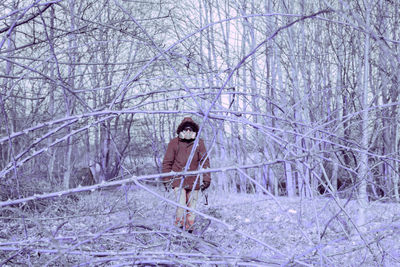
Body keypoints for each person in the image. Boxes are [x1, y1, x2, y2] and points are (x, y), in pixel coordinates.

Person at [162, 117, 211, 231]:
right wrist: (167, 179)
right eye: (186, 130)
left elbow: (205, 162)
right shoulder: (174, 143)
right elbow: (167, 162)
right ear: (182, 131)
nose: (188, 132)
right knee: (181, 205)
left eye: (190, 130)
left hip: (194, 180)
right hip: (178, 179)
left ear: (194, 131)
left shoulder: (199, 143)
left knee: (192, 208)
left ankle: (189, 230)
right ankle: (178, 229)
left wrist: (206, 179)